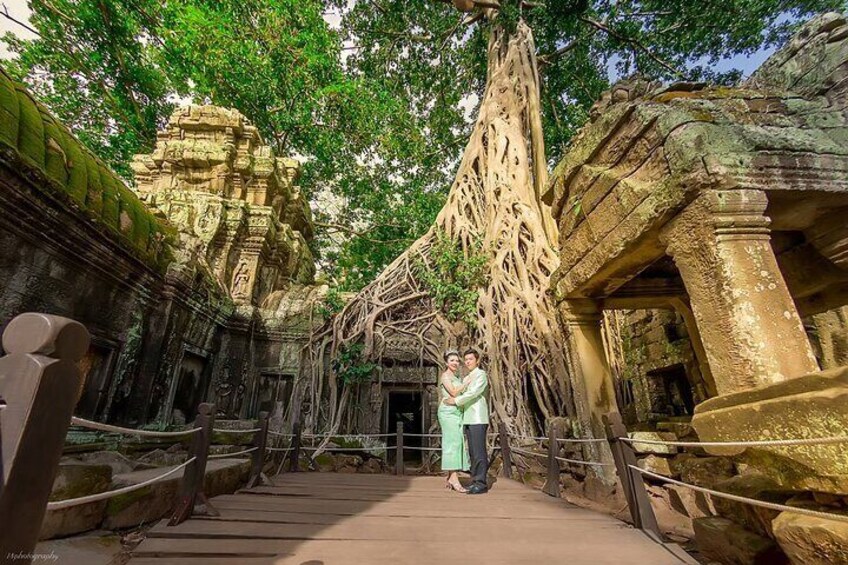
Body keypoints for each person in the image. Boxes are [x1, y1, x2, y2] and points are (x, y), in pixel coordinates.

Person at [443, 348, 489, 494]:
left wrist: (455, 401)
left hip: (478, 417)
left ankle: (481, 483)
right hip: (467, 417)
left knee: (479, 451)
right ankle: (475, 480)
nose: (468, 362)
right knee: (473, 451)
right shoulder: (466, 377)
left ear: (477, 360)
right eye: (466, 359)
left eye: (471, 359)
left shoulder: (481, 374)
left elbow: (473, 393)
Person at [437, 349, 471, 492]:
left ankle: (451, 477)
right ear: (446, 362)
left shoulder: (456, 377)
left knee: (457, 443)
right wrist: (466, 383)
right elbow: (453, 392)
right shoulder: (445, 376)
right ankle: (454, 478)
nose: (455, 363)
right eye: (452, 360)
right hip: (448, 412)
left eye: (457, 360)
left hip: (457, 412)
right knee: (452, 443)